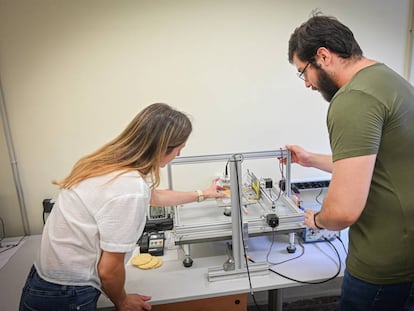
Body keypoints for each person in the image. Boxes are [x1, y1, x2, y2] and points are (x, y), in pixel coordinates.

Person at [19, 103, 226, 311]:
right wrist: (122, 300)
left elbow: (153, 196)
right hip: (66, 293)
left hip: (43, 280)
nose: (179, 155)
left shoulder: (108, 164)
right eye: (179, 149)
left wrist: (203, 194)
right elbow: (108, 271)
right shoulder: (129, 186)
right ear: (163, 149)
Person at [287, 14, 414, 310]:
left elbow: (342, 212)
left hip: (383, 263)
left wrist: (316, 220)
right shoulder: (388, 80)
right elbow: (373, 163)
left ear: (323, 55)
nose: (307, 84)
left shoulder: (352, 98)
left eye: (303, 72)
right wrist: (310, 159)